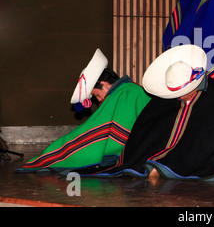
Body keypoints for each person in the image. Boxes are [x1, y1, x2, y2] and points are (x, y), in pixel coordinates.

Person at [74, 45, 214, 183]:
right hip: (173, 153)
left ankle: (170, 167)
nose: (178, 97)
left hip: (204, 150)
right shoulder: (164, 99)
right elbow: (147, 128)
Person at [17, 49, 151, 173]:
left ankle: (52, 156)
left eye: (97, 95)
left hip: (141, 150)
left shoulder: (123, 94)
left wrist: (61, 150)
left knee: (76, 143)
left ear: (104, 84)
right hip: (148, 144)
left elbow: (101, 129)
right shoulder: (131, 89)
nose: (99, 101)